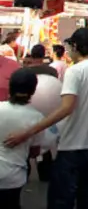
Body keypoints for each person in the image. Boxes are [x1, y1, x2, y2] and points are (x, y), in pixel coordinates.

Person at [5, 27, 88, 209]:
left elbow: (66, 108)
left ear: (76, 46)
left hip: (72, 146)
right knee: (87, 200)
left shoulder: (75, 71)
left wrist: (28, 132)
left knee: (61, 200)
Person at [0, 69, 47, 208]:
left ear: (11, 87)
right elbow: (35, 152)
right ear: (33, 91)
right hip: (13, 177)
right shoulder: (37, 118)